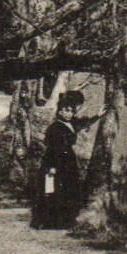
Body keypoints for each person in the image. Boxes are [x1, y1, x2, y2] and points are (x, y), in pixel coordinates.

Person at [32, 90, 95, 229]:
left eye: (71, 111)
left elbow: (84, 123)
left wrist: (98, 115)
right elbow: (52, 148)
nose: (68, 113)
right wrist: (52, 166)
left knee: (68, 190)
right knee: (54, 190)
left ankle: (66, 221)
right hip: (56, 161)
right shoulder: (55, 127)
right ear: (60, 111)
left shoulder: (70, 124)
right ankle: (50, 222)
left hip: (68, 161)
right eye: (65, 110)